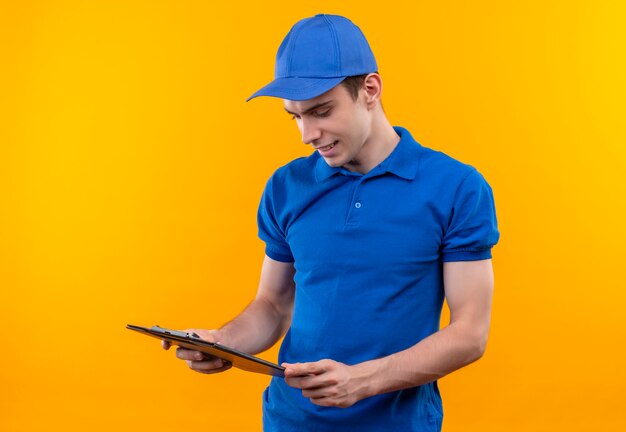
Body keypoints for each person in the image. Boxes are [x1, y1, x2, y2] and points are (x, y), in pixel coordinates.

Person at [163, 14, 499, 432]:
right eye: (295, 116)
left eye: (321, 111)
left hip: (397, 424)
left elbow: (470, 334)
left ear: (370, 90)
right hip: (290, 420)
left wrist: (363, 381)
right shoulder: (287, 186)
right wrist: (224, 342)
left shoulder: (457, 188)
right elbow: (272, 305)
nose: (307, 133)